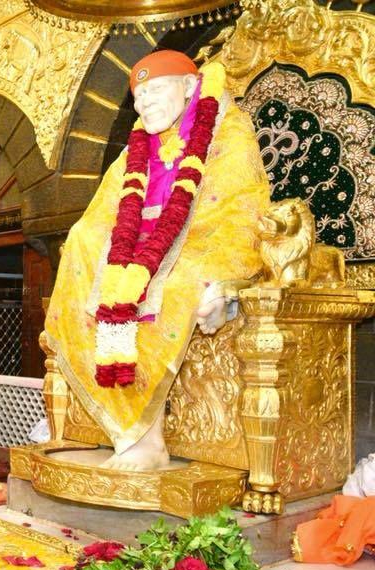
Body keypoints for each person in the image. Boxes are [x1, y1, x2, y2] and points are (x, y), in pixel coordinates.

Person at [45, 51, 269, 470]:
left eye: (154, 90)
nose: (143, 103)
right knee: (83, 245)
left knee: (178, 286)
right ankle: (126, 431)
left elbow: (237, 208)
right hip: (136, 253)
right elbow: (107, 211)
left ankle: (147, 441)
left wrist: (225, 280)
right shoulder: (138, 144)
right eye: (138, 95)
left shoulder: (227, 129)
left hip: (201, 242)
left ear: (188, 87)